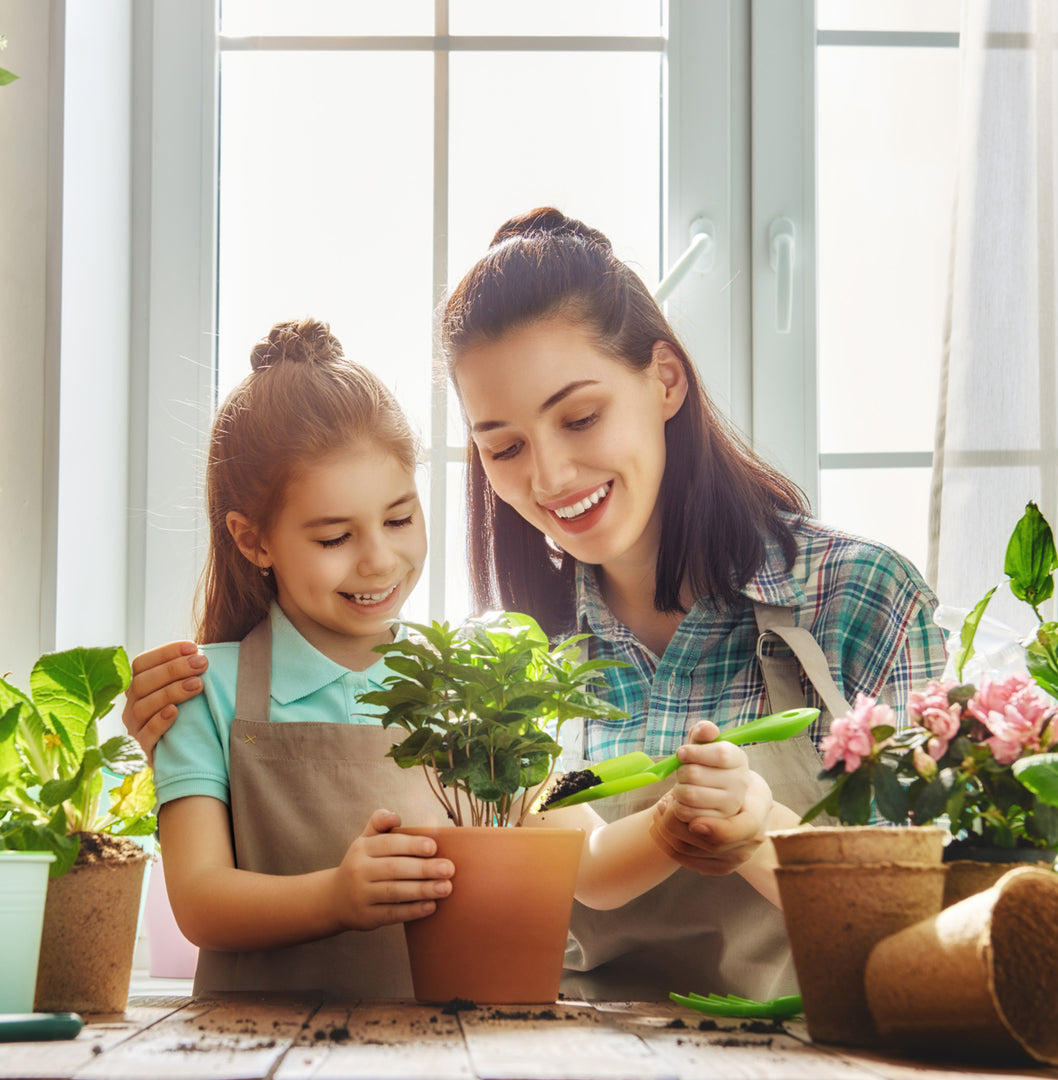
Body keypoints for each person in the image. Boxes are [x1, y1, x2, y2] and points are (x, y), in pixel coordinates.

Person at [129, 210, 946, 999]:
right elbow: (579, 869)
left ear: (665, 379)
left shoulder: (859, 600)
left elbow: (929, 922)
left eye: (581, 416)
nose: (550, 477)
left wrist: (760, 831)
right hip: (559, 1050)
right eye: (505, 447)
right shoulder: (510, 661)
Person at [152, 315, 782, 998]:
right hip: (248, 1050)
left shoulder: (470, 686)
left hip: (435, 1054)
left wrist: (672, 821)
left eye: (399, 518)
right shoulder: (203, 692)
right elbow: (201, 902)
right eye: (334, 537)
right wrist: (334, 898)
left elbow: (590, 871)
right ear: (253, 541)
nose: (379, 560)